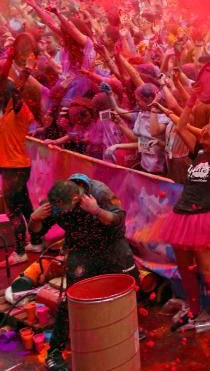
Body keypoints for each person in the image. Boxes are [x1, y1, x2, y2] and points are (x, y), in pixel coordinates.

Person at [28, 174, 138, 371]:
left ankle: (126, 330)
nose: (61, 213)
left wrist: (96, 211)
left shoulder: (100, 192)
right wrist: (34, 218)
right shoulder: (56, 201)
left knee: (130, 283)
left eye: (65, 210)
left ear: (76, 199)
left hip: (111, 245)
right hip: (81, 249)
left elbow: (119, 219)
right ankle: (55, 351)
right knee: (72, 298)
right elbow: (37, 232)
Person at [157, 90, 210, 347]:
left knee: (207, 271)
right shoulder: (199, 154)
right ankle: (194, 312)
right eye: (202, 131)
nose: (204, 134)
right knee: (185, 268)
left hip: (201, 217)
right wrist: (191, 101)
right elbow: (180, 126)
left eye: (208, 132)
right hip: (181, 215)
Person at [0, 45, 45, 265]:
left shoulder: (19, 111)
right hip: (17, 166)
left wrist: (25, 70)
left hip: (13, 168)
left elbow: (15, 90)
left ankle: (19, 252)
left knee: (13, 210)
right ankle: (36, 241)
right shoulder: (9, 112)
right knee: (25, 205)